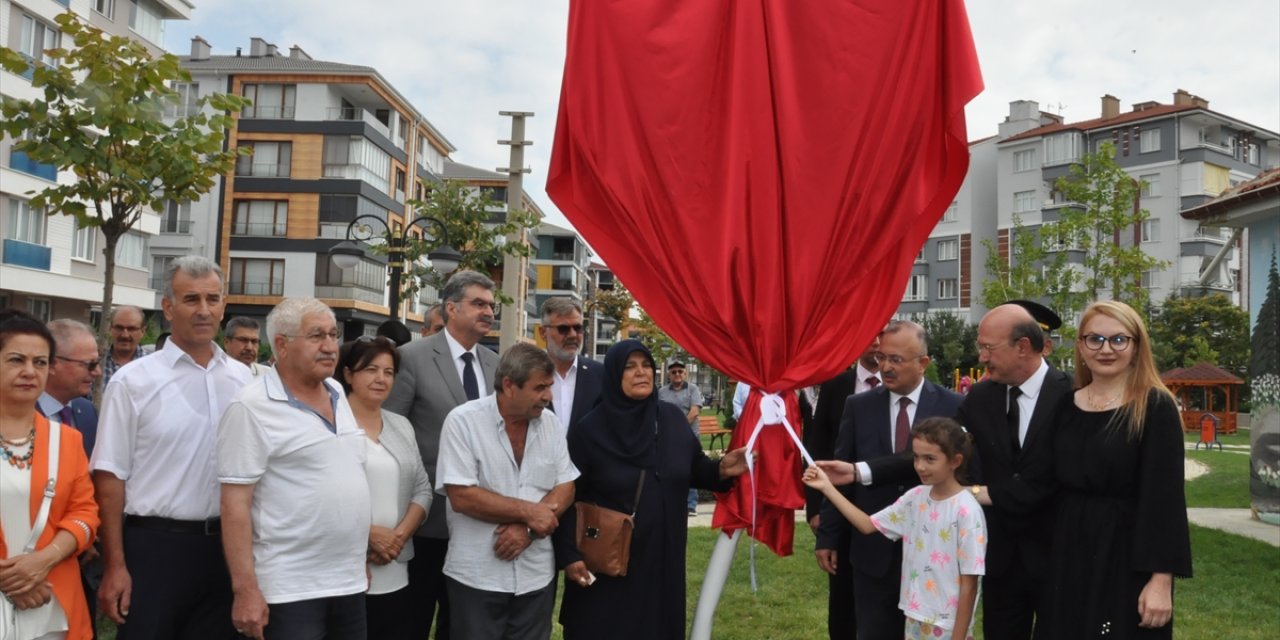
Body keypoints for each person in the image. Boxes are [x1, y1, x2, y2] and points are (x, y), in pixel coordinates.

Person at [824, 302, 1073, 640]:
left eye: (988, 348)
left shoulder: (1073, 394)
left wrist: (981, 494)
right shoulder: (983, 396)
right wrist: (859, 471)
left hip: (1058, 555)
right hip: (1001, 560)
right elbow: (935, 448)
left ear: (1023, 347)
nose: (982, 357)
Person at [91, 256, 252, 640]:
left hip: (225, 551)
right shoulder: (134, 382)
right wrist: (115, 564)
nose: (203, 310)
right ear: (168, 307)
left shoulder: (244, 381)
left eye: (212, 299)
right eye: (191, 299)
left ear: (224, 306)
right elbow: (110, 476)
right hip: (154, 549)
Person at [553, 340, 749, 640]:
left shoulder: (669, 419)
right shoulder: (590, 430)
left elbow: (692, 466)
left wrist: (721, 469)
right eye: (629, 367)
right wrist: (568, 554)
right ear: (614, 375)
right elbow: (568, 495)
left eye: (646, 365)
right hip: (609, 562)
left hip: (661, 557)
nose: (640, 373)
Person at [217, 298, 371, 640]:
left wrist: (356, 561)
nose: (330, 346)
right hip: (289, 589)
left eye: (333, 335)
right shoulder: (251, 406)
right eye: (317, 336)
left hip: (347, 582)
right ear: (282, 345)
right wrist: (245, 591)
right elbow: (234, 505)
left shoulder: (336, 392)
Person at [1047, 300, 1191, 639]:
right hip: (1069, 551)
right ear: (1080, 346)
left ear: (1137, 346)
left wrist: (1160, 580)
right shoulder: (1066, 405)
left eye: (1118, 339)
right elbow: (1046, 481)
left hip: (1127, 555)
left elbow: (1165, 501)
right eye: (1094, 339)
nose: (1106, 349)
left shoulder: (1155, 407)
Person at [816, 321, 964, 638]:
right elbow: (840, 473)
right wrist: (828, 537)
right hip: (872, 551)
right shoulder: (858, 406)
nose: (885, 367)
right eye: (882, 358)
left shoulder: (954, 407)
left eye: (896, 360)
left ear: (923, 363)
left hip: (932, 551)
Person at [385, 271, 501, 639]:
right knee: (414, 619)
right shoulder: (411, 358)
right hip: (425, 521)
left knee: (462, 623)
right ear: (451, 308)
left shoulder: (494, 365)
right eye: (479, 303)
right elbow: (390, 431)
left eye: (491, 305)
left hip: (478, 523)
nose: (488, 312)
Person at [436, 344, 579, 639]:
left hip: (535, 576)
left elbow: (566, 485)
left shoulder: (550, 424)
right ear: (510, 386)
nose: (548, 396)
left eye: (549, 387)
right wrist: (530, 513)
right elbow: (462, 496)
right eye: (540, 388)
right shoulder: (463, 421)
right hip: (477, 576)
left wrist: (528, 531)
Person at [805, 417, 986, 640]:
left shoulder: (967, 511)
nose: (920, 466)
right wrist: (827, 487)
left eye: (930, 459)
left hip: (947, 625)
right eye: (916, 457)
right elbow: (867, 524)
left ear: (955, 461)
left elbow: (970, 582)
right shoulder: (915, 498)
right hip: (913, 615)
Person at [0, 310, 100, 640]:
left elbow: (85, 513)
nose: (30, 372)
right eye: (16, 360)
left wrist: (43, 561)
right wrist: (11, 581)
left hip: (54, 606)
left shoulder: (67, 440)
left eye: (40, 362)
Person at [338, 336, 431, 640]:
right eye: (370, 370)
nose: (380, 379)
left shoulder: (401, 425)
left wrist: (397, 538)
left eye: (388, 372)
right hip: (346, 566)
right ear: (349, 375)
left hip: (396, 565)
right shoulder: (332, 426)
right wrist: (368, 536)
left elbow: (422, 489)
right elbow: (320, 496)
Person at [803, 331, 880, 640]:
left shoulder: (901, 385)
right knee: (843, 600)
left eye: (882, 334)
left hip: (890, 508)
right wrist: (815, 510)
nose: (875, 342)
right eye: (869, 334)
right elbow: (816, 449)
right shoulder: (836, 386)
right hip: (842, 508)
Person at [539, 297, 604, 436]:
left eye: (578, 328)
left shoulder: (601, 376)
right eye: (563, 329)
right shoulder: (526, 374)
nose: (573, 335)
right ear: (543, 333)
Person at [39, 319, 101, 457]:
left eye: (98, 362)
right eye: (89, 364)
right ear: (53, 364)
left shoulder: (87, 411)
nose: (98, 372)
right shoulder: (18, 413)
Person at [657, 361, 703, 515]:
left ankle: (691, 505)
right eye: (673, 372)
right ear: (669, 375)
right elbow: (657, 413)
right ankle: (670, 501)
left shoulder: (693, 389)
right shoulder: (662, 392)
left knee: (690, 468)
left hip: (690, 436)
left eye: (680, 371)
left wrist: (678, 427)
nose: (677, 374)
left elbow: (695, 411)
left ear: (685, 373)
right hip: (667, 437)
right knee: (668, 469)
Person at [102, 306, 146, 389]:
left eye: (131, 329)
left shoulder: (153, 366)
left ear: (142, 331)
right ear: (110, 329)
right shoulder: (95, 364)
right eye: (119, 328)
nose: (125, 335)